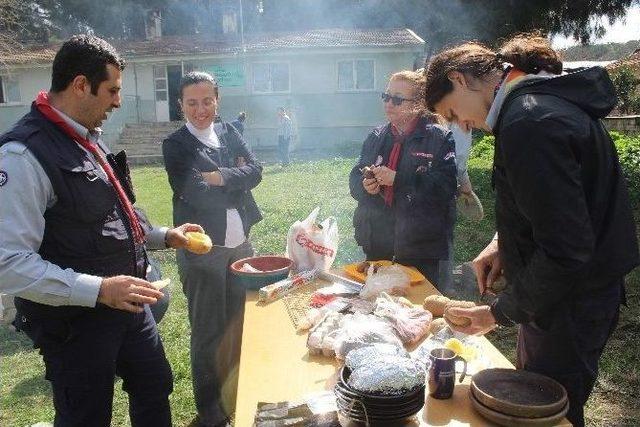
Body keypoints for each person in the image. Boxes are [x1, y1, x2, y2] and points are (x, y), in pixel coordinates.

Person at [423, 33, 640, 426]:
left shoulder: (529, 121)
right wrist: (501, 242)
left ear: (459, 79)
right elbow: (558, 208)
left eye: (454, 114)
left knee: (543, 415)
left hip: (569, 304)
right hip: (572, 298)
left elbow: (566, 248)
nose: (463, 126)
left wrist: (498, 313)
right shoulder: (536, 107)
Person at [0, 34, 204, 426]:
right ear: (80, 85)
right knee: (86, 416)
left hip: (127, 304)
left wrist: (163, 235)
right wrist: (98, 290)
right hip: (75, 324)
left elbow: (113, 213)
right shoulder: (23, 155)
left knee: (154, 383)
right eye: (111, 90)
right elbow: (9, 264)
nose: (117, 101)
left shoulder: (88, 137)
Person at [162, 71, 263, 427]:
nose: (200, 109)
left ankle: (235, 394)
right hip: (204, 249)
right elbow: (195, 194)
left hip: (241, 245)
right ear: (181, 104)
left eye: (207, 101)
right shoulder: (175, 145)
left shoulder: (229, 131)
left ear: (217, 100)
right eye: (192, 102)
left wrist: (219, 176)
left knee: (239, 321)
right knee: (208, 331)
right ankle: (209, 410)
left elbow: (257, 170)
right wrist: (236, 177)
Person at [349, 70, 457, 290]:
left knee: (416, 310)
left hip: (420, 248)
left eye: (397, 99)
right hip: (378, 242)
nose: (389, 103)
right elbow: (355, 176)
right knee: (376, 306)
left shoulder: (438, 137)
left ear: (418, 104)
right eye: (386, 97)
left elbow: (446, 187)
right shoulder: (376, 136)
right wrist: (365, 185)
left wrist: (399, 178)